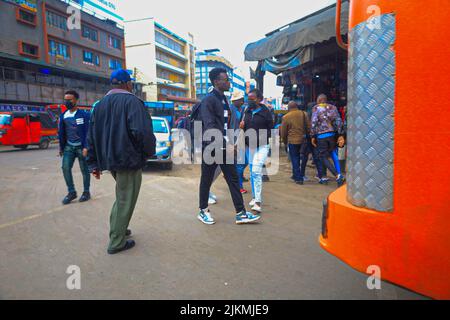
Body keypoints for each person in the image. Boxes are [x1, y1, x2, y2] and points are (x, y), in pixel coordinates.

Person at [86, 69, 156, 255]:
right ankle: (116, 241)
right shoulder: (132, 101)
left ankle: (120, 228)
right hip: (128, 159)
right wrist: (149, 153)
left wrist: (93, 163)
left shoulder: (99, 105)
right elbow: (142, 132)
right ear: (128, 84)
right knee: (125, 199)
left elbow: (91, 136)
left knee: (122, 195)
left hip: (110, 160)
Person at [197, 68, 260, 225]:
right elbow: (211, 127)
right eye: (225, 79)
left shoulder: (224, 99)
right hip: (211, 147)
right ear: (216, 81)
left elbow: (224, 126)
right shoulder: (208, 100)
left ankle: (241, 213)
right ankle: (203, 211)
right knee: (206, 179)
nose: (228, 82)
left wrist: (229, 143)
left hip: (224, 147)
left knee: (232, 179)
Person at [241, 89, 274, 213]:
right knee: (252, 171)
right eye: (248, 97)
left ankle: (258, 202)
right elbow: (244, 128)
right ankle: (255, 198)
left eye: (252, 98)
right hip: (250, 146)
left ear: (259, 99)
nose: (249, 100)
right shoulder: (247, 111)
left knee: (256, 170)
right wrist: (242, 127)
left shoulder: (266, 112)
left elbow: (270, 128)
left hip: (262, 146)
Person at [58, 90, 91, 205]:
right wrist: (61, 148)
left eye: (69, 100)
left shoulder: (84, 115)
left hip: (81, 148)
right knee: (65, 168)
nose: (67, 102)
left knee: (84, 170)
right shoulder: (63, 116)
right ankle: (72, 192)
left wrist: (86, 147)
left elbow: (88, 132)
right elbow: (61, 133)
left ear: (76, 100)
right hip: (69, 147)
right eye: (65, 100)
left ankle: (86, 192)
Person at [310, 94, 346, 187]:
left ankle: (337, 175)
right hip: (332, 135)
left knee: (323, 156)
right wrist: (340, 134)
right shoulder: (333, 107)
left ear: (318, 100)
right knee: (334, 154)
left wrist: (312, 135)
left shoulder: (316, 108)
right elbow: (338, 121)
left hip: (321, 136)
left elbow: (314, 122)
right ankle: (340, 175)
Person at [280, 101, 311, 185]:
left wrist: (285, 142)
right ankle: (297, 175)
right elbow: (309, 127)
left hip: (292, 141)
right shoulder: (304, 114)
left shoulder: (286, 117)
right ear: (297, 106)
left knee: (295, 158)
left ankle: (298, 178)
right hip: (304, 140)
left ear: (288, 108)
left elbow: (283, 132)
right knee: (304, 157)